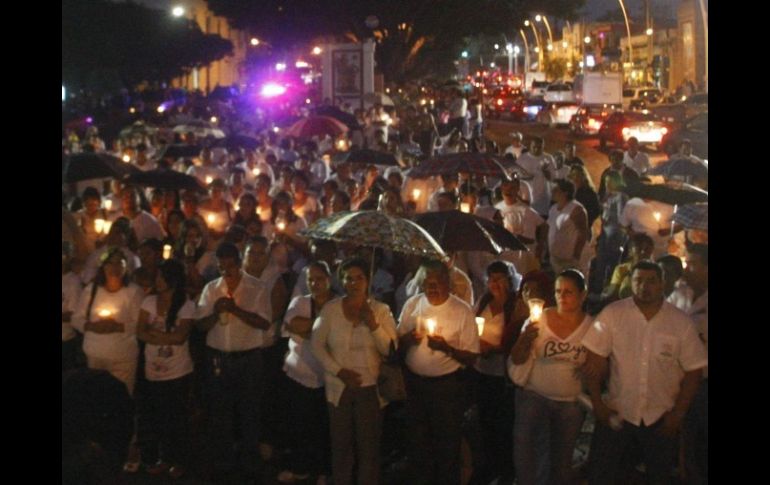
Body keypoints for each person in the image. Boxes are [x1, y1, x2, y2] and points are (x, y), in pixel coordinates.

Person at [582, 261, 707, 485]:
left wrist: (678, 414)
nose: (644, 286)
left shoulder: (680, 323)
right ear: (631, 282)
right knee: (603, 474)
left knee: (658, 476)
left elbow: (694, 371)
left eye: (651, 281)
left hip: (660, 417)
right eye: (639, 280)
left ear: (662, 284)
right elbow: (594, 358)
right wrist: (598, 404)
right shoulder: (613, 314)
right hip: (619, 411)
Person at [310, 258, 399, 485]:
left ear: (368, 281)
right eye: (349, 278)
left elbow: (390, 349)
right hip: (339, 387)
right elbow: (317, 345)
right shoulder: (331, 310)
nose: (354, 283)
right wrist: (338, 371)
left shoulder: (380, 310)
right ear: (342, 281)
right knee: (341, 446)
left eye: (360, 278)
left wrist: (374, 325)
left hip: (370, 387)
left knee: (368, 448)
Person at [195, 242, 273, 482]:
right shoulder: (211, 289)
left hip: (249, 358)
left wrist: (236, 310)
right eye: (221, 267)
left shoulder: (257, 287)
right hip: (219, 357)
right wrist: (216, 312)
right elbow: (200, 325)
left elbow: (264, 322)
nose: (226, 271)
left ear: (239, 264)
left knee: (250, 410)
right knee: (221, 411)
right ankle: (224, 461)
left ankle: (250, 461)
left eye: (230, 266)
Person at [397, 260, 480, 485]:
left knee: (446, 445)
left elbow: (472, 356)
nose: (432, 289)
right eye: (427, 284)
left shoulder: (461, 311)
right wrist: (407, 339)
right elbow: (396, 344)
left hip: (446, 389)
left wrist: (446, 348)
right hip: (416, 385)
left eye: (437, 283)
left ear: (448, 284)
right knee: (418, 444)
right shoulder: (412, 305)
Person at [509, 269, 593, 485]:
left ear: (583, 295)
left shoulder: (592, 327)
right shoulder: (539, 320)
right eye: (558, 292)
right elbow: (517, 359)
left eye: (568, 292)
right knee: (527, 453)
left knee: (561, 459)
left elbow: (598, 365)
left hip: (570, 404)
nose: (562, 297)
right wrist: (526, 339)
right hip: (534, 396)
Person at [277, 261, 336, 484]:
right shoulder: (300, 301)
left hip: (327, 377)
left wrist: (312, 329)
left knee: (324, 425)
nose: (315, 284)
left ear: (329, 279)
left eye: (320, 279)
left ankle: (324, 470)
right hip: (299, 374)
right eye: (311, 279)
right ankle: (300, 467)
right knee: (300, 424)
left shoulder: (337, 304)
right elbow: (294, 323)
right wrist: (324, 328)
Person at [135, 259, 195, 479]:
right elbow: (140, 332)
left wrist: (155, 335)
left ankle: (178, 459)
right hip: (153, 369)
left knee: (176, 417)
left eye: (161, 276)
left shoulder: (186, 305)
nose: (157, 280)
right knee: (155, 416)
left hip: (178, 371)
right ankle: (158, 457)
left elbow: (180, 337)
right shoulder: (149, 302)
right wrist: (165, 337)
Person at [472, 262, 520, 485]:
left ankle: (506, 470)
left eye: (500, 279)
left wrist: (495, 349)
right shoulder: (483, 302)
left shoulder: (514, 306)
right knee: (485, 422)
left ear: (509, 281)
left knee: (504, 424)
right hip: (482, 373)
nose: (495, 284)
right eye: (492, 279)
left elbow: (514, 341)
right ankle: (488, 466)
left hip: (503, 376)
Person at [72, 247, 144, 395]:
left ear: (126, 267)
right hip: (95, 356)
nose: (115, 268)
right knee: (97, 397)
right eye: (111, 263)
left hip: (123, 358)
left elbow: (140, 325)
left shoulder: (134, 292)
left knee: (122, 396)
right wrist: (91, 326)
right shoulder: (92, 290)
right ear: (103, 266)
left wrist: (118, 327)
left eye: (120, 263)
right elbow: (76, 319)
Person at [547, 179, 590, 274]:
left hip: (570, 261)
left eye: (556, 190)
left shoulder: (576, 210)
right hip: (556, 258)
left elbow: (583, 233)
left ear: (565, 193)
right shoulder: (553, 208)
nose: (552, 192)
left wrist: (576, 256)